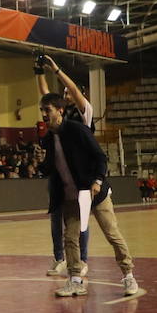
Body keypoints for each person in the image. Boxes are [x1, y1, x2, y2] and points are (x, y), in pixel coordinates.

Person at [39, 92, 138, 297]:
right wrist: (42, 162)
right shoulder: (48, 139)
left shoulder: (77, 130)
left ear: (60, 110)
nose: (44, 114)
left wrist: (97, 181)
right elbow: (51, 169)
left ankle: (128, 275)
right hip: (71, 197)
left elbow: (100, 157)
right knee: (70, 238)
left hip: (94, 192)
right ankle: (75, 280)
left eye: (47, 110)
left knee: (112, 234)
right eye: (42, 110)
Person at [36, 54, 93, 277]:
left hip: (81, 174)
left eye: (69, 91)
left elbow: (75, 92)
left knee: (81, 218)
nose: (67, 93)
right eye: (65, 93)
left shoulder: (84, 113)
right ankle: (59, 257)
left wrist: (56, 70)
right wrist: (38, 72)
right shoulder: (59, 115)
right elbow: (45, 96)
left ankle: (82, 258)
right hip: (60, 172)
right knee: (56, 216)